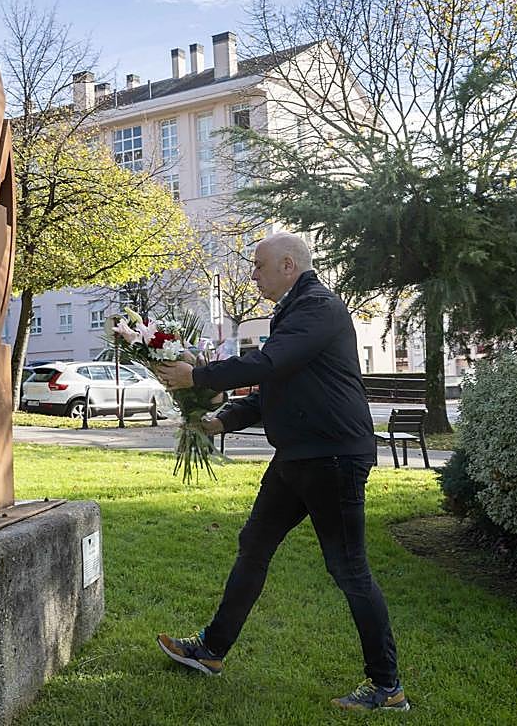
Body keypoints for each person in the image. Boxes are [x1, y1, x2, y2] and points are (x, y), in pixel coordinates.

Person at [153, 232, 409, 713]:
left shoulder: (318, 306)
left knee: (349, 568)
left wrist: (199, 376)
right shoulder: (292, 313)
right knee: (254, 544)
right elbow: (274, 386)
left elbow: (269, 362)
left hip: (332, 456)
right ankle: (211, 651)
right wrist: (219, 420)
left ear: (288, 265)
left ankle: (387, 688)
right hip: (297, 456)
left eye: (259, 266)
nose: (253, 274)